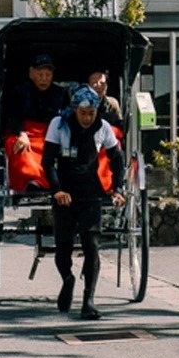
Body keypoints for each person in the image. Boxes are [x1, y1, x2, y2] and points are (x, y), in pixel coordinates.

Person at [43, 86, 126, 321]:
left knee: (92, 245)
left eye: (91, 113)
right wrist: (57, 191)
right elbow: (48, 161)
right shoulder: (59, 124)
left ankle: (89, 300)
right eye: (83, 113)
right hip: (65, 192)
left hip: (90, 192)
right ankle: (68, 279)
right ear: (74, 110)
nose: (87, 118)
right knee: (63, 246)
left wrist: (117, 188)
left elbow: (117, 159)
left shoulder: (103, 127)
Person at [1, 53, 69, 191]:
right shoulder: (20, 91)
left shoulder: (60, 93)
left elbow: (66, 118)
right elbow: (12, 117)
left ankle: (53, 182)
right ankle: (32, 181)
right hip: (24, 131)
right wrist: (21, 133)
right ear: (31, 73)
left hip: (51, 133)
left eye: (48, 75)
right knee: (21, 147)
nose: (44, 78)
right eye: (40, 74)